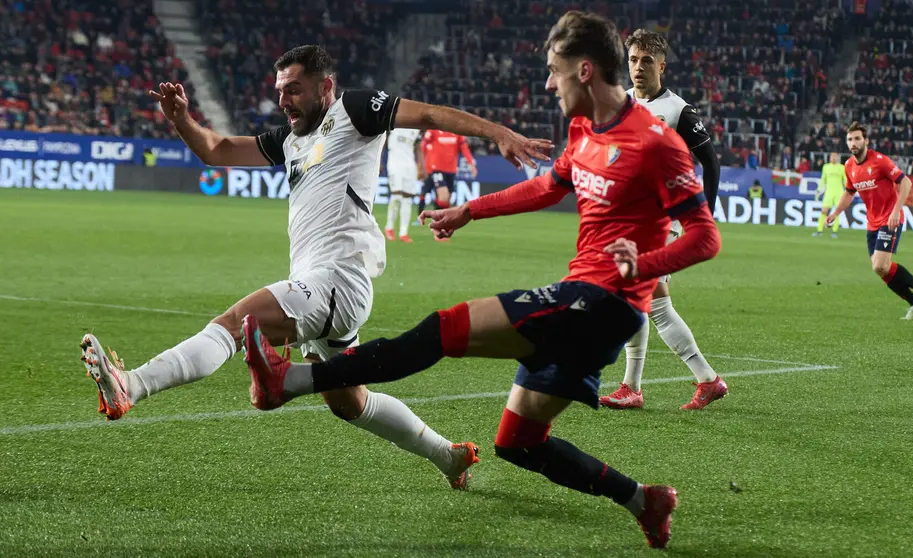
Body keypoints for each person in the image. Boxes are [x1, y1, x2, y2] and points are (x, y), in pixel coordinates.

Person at [240, 13, 721, 549]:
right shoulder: (585, 130)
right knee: (518, 444)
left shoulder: (657, 143)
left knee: (443, 329)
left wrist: (643, 266)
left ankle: (292, 382)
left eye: (553, 71)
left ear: (584, 71)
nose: (547, 83)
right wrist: (469, 211)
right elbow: (547, 189)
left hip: (601, 303)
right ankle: (645, 500)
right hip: (586, 303)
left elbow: (706, 238)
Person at [79, 45, 552, 489]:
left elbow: (426, 114)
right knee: (350, 402)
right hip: (323, 289)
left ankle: (132, 385)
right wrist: (182, 119)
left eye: (293, 89)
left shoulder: (354, 111)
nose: (283, 99)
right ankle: (447, 456)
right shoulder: (290, 140)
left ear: (325, 87)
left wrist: (501, 134)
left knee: (234, 324)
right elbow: (217, 150)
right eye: (279, 90)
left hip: (335, 281)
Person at [600, 29, 727, 411]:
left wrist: (704, 213)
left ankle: (706, 380)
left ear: (662, 66)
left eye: (647, 62)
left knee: (651, 302)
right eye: (634, 60)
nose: (639, 68)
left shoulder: (678, 111)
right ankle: (634, 387)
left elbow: (711, 163)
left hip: (661, 220)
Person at [827, 122, 913, 320]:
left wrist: (896, 211)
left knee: (879, 266)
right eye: (850, 139)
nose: (853, 143)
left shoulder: (880, 161)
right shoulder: (849, 166)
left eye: (857, 138)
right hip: (872, 222)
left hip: (890, 219)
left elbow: (906, 182)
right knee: (881, 270)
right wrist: (835, 213)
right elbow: (849, 192)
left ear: (866, 141)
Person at [417, 130, 477, 219]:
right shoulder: (433, 130)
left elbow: (464, 148)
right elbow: (423, 146)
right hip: (436, 168)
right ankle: (424, 216)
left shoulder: (457, 132)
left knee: (446, 200)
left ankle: (440, 219)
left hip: (451, 170)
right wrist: (422, 165)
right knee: (441, 196)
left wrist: (471, 163)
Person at [383, 127, 423, 242]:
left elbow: (418, 147)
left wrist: (421, 166)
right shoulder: (395, 123)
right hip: (395, 162)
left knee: (407, 199)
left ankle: (403, 232)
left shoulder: (416, 128)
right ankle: (389, 227)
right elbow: (383, 141)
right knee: (397, 196)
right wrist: (379, 160)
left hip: (410, 164)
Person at [814, 152, 846, 238]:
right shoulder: (826, 167)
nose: (833, 158)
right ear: (830, 158)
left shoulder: (842, 168)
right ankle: (819, 230)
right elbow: (823, 180)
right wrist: (818, 191)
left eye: (835, 157)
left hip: (839, 193)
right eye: (832, 157)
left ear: (838, 158)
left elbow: (846, 181)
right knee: (824, 211)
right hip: (828, 193)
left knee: (836, 213)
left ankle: (834, 231)